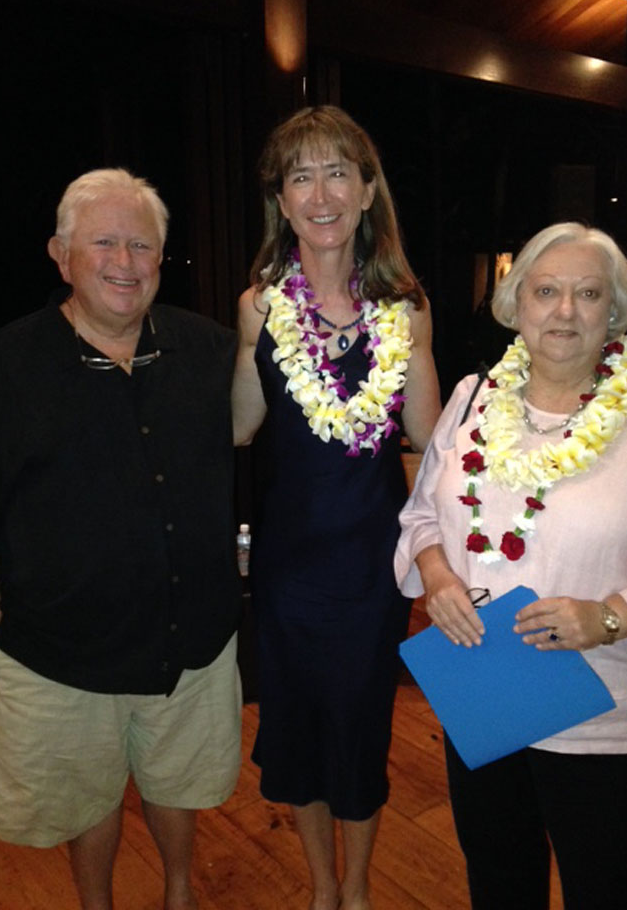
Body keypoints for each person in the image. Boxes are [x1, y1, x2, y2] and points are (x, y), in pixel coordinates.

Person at [395, 221, 627, 910]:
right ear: (514, 303)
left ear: (612, 312)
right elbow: (422, 517)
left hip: (605, 716)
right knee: (498, 881)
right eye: (546, 291)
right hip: (485, 697)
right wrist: (435, 576)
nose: (564, 310)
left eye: (587, 294)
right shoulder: (471, 401)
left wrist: (606, 617)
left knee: (606, 891)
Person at [0, 168, 242, 910]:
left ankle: (180, 891)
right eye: (104, 243)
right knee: (84, 795)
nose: (125, 263)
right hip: (63, 649)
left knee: (178, 781)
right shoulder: (5, 365)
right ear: (61, 255)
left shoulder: (209, 351)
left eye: (142, 246)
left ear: (163, 260)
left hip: (189, 640)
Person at [232, 105, 441, 910]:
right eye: (299, 175)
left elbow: (425, 439)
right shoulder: (259, 306)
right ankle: (321, 887)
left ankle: (357, 888)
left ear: (366, 188)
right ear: (281, 201)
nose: (319, 193)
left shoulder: (407, 308)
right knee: (294, 731)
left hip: (369, 570)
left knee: (359, 730)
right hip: (287, 571)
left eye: (336, 171)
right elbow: (240, 425)